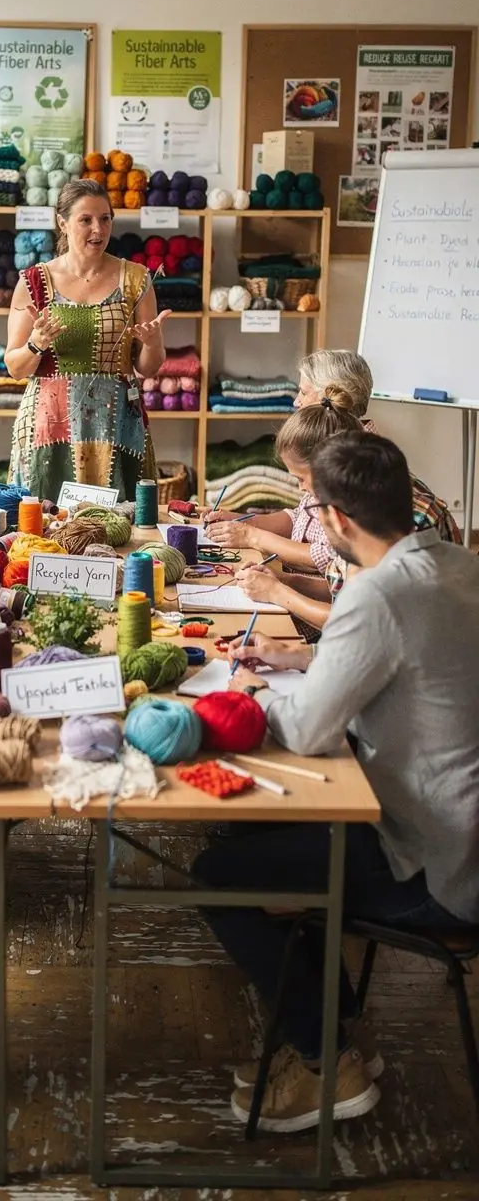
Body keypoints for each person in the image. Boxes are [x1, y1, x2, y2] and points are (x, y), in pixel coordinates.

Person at [195, 432, 479, 1133]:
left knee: (216, 872)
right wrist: (296, 659)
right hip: (459, 832)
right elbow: (395, 669)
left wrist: (248, 692)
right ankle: (342, 1033)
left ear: (338, 520)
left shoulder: (377, 595)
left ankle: (328, 1062)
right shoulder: (458, 566)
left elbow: (310, 731)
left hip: (435, 867)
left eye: (314, 512)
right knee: (280, 840)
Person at [5, 179, 171, 501]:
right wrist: (36, 342)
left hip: (117, 423)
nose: (98, 229)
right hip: (49, 423)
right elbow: (15, 366)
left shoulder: (136, 279)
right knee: (44, 526)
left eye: (105, 218)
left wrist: (152, 342)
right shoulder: (35, 282)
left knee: (120, 530)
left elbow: (148, 369)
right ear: (62, 223)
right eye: (86, 219)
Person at [295, 348, 460, 542]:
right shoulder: (336, 452)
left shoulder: (358, 469)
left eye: (304, 392)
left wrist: (256, 538)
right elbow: (305, 518)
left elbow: (336, 556)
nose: (296, 401)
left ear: (331, 399)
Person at [233, 396, 363, 632]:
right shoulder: (346, 507)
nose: (301, 488)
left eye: (301, 479)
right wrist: (281, 580)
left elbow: (351, 623)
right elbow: (339, 587)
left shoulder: (365, 526)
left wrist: (277, 592)